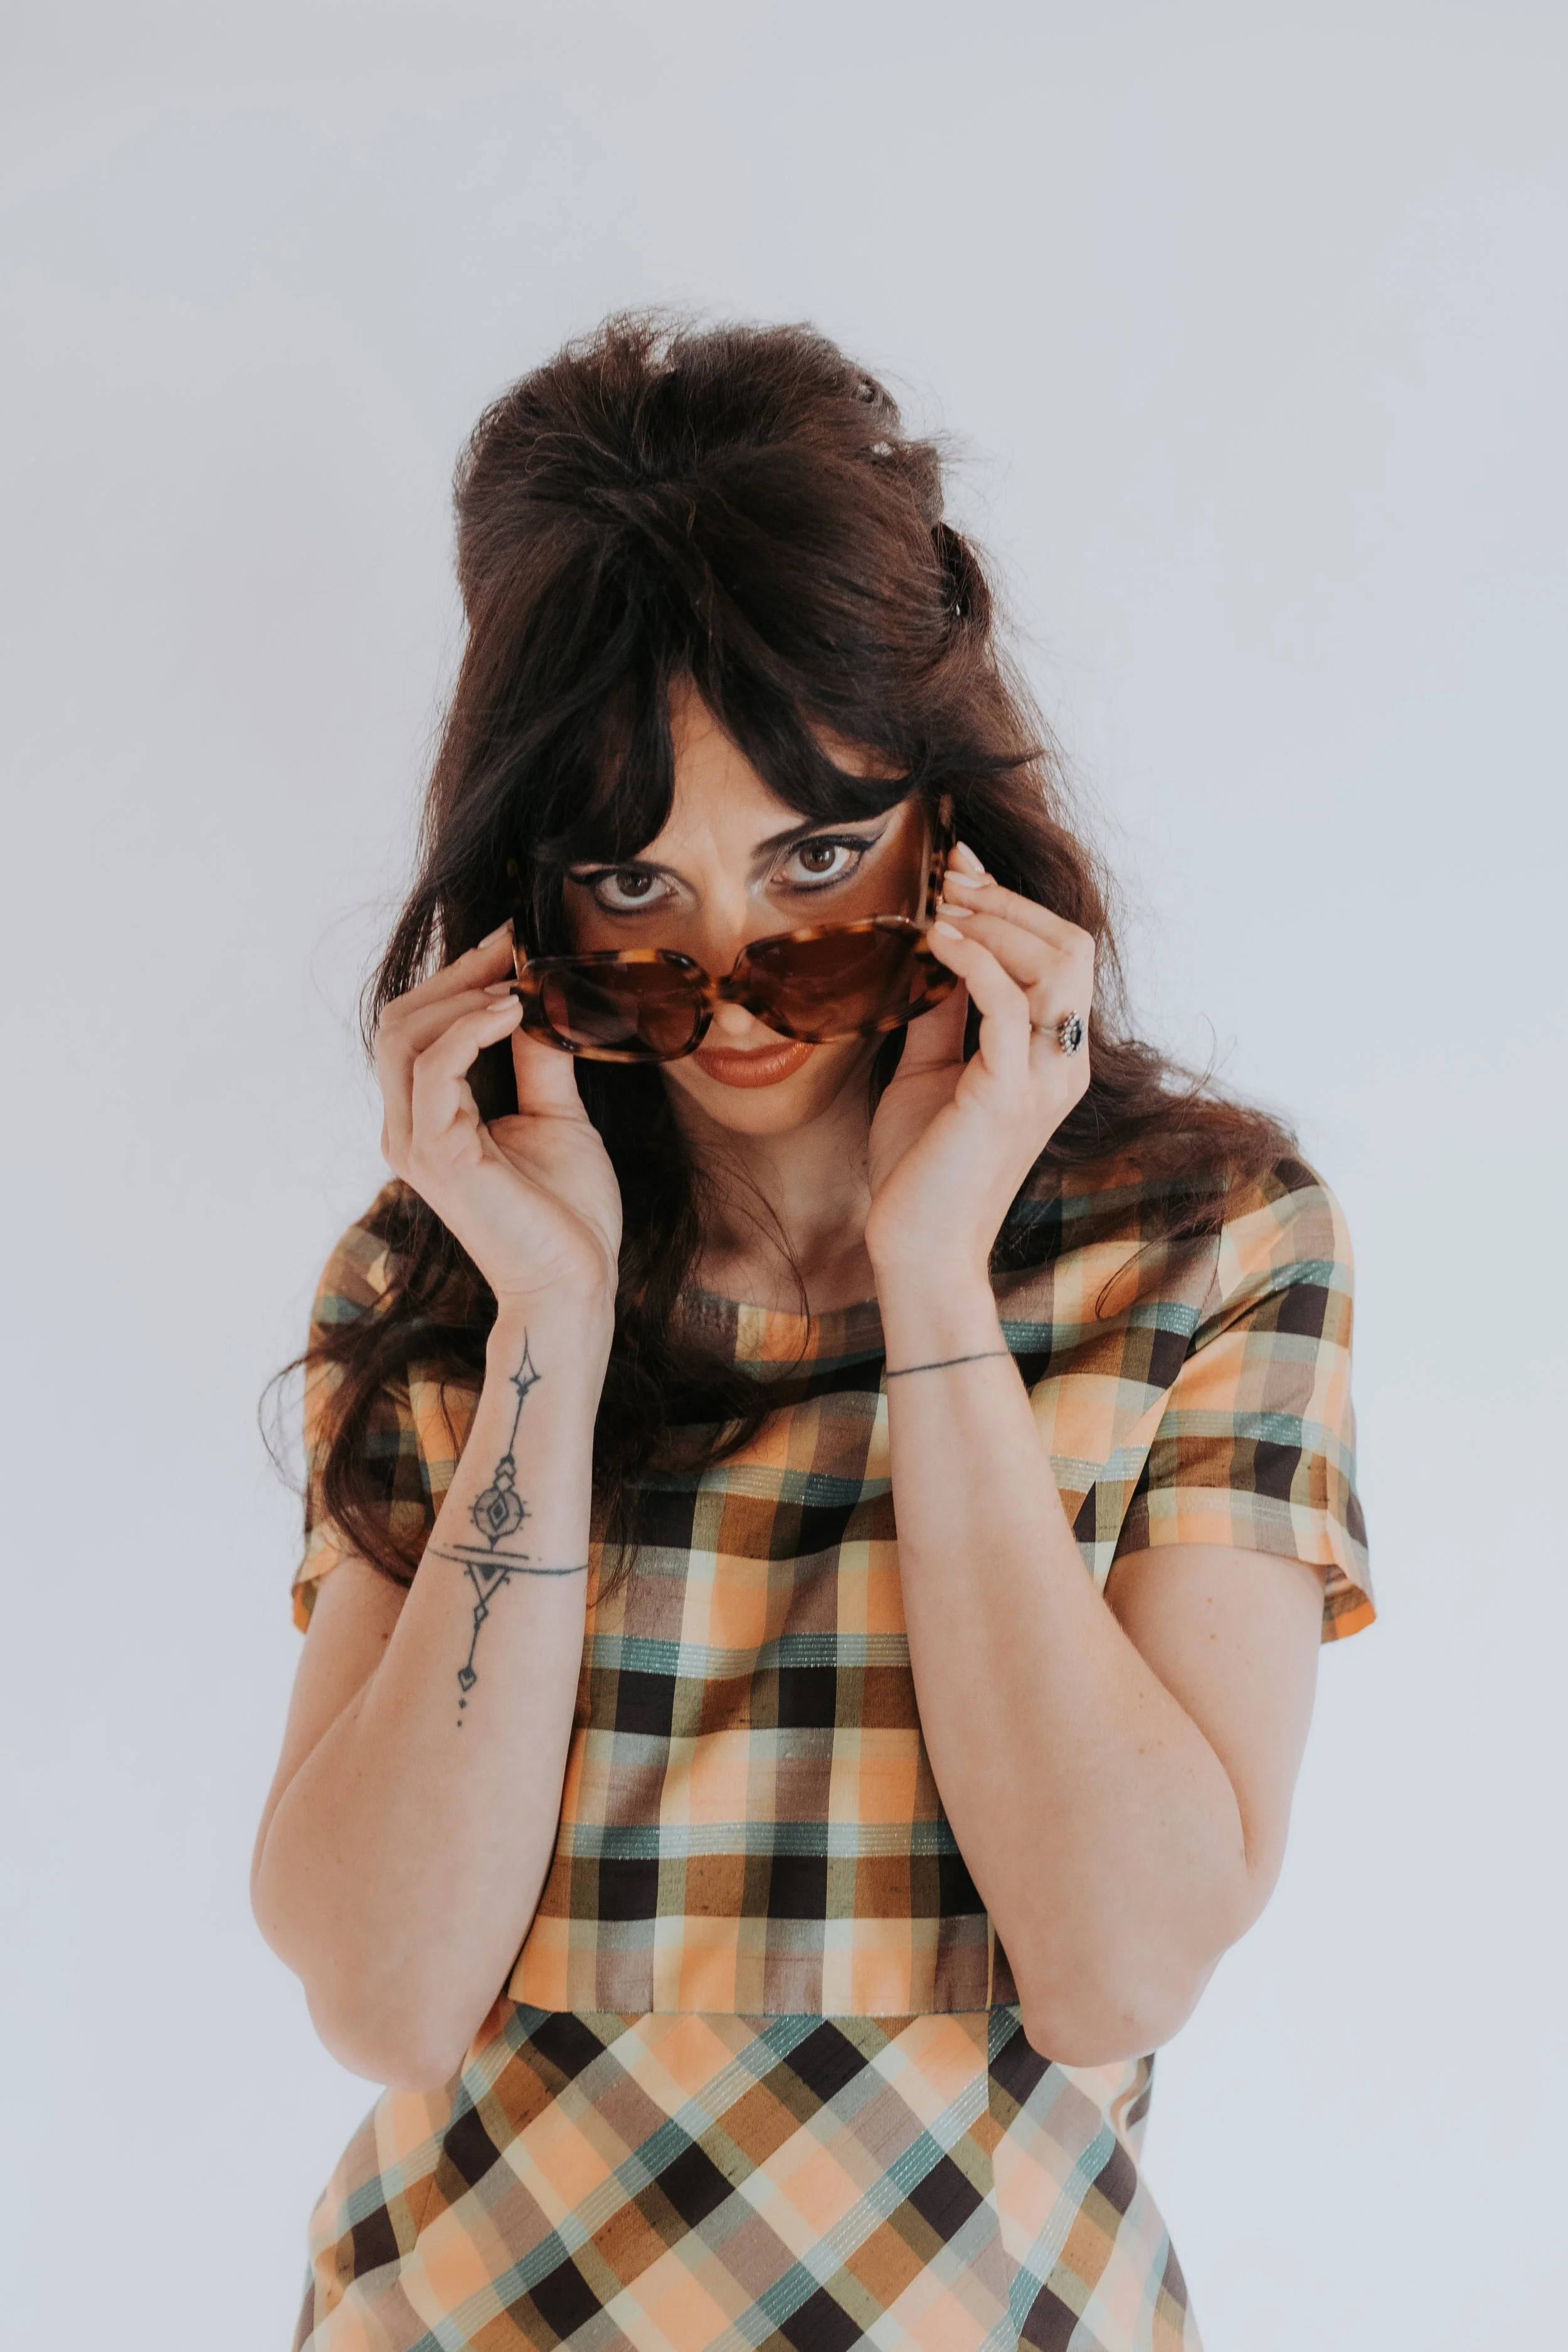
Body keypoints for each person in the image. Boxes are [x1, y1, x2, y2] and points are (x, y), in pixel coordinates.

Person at [254, 315, 1372, 2352]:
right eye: (634, 892)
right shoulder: (443, 1287)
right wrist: (551, 1330)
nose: (740, 985)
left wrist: (937, 1289)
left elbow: (1117, 1960)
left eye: (815, 866)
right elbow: (385, 1989)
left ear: (949, 833)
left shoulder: (1202, 1251)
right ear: (533, 899)